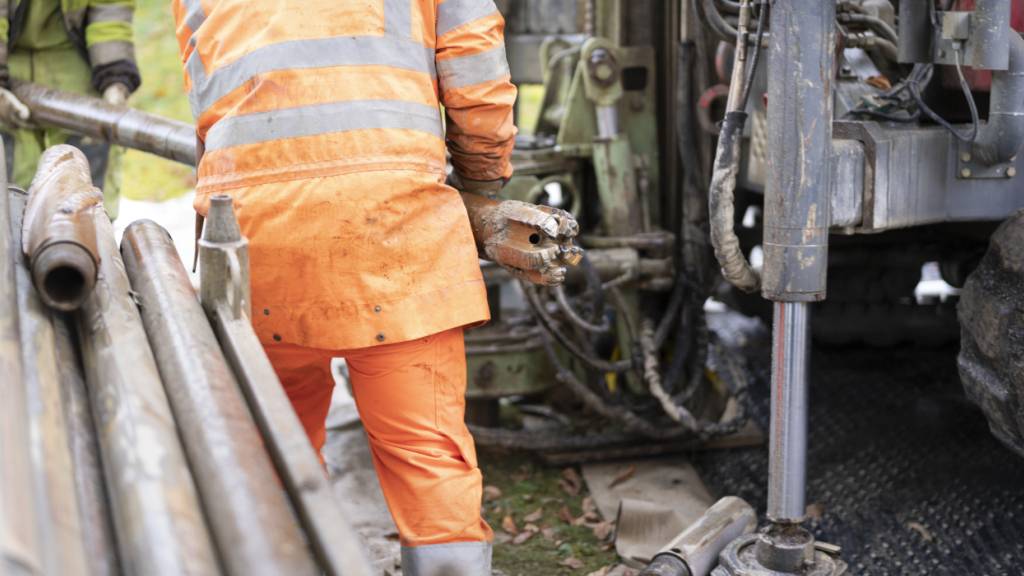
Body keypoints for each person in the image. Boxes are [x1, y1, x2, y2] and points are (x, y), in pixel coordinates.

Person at [172, 1, 518, 573]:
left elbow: (207, 101)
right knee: (427, 461)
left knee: (273, 458)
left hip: (254, 242)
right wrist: (482, 178)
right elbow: (476, 67)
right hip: (395, 237)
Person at [0, 0, 139, 220]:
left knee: (90, 149)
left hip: (72, 55)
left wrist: (115, 77)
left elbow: (110, 10)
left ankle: (93, 235)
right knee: (14, 185)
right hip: (9, 58)